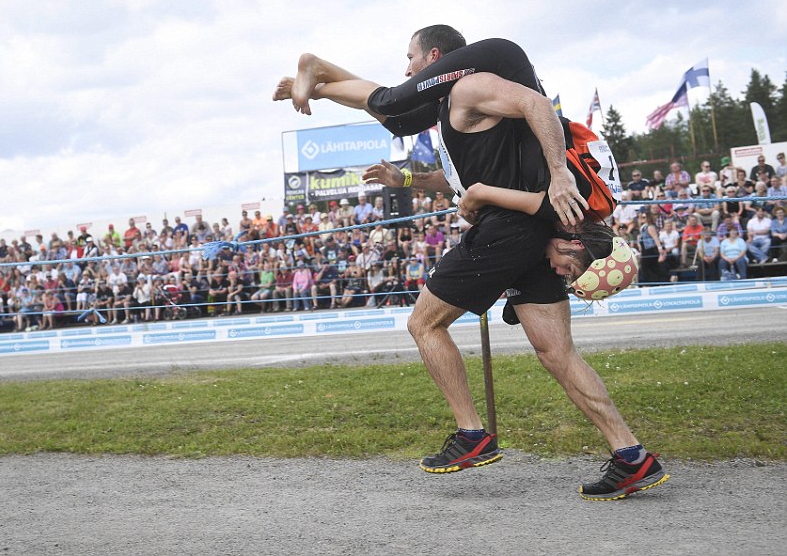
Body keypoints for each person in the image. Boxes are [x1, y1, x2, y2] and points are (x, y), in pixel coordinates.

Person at [275, 25, 666, 500]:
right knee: (557, 353)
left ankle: (471, 434)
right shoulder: (457, 108)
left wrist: (560, 174)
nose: (407, 68)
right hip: (528, 233)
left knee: (425, 325)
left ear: (435, 58)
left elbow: (540, 105)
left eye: (411, 57)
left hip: (507, 231)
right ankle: (631, 455)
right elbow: (451, 169)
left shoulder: (469, 85)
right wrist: (404, 179)